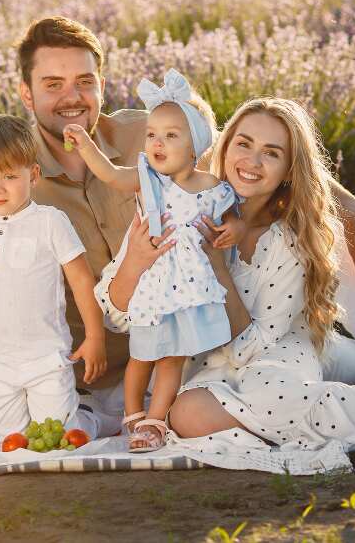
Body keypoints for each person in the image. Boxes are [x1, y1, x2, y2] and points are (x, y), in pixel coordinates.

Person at [0, 16, 355, 436]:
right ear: (25, 92)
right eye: (53, 83)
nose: (72, 97)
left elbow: (247, 157)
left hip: (199, 314)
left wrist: (350, 208)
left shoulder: (145, 132)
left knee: (318, 229)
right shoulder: (2, 178)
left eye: (84, 81)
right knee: (272, 363)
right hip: (121, 358)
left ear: (102, 83)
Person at [97, 98, 355, 469]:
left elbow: (257, 345)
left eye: (271, 153)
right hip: (207, 369)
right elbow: (116, 317)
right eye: (243, 144)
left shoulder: (290, 239)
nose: (252, 161)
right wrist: (136, 260)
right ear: (223, 148)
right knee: (188, 415)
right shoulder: (178, 208)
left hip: (280, 353)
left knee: (278, 390)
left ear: (287, 170)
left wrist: (218, 268)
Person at [63, 69, 243, 452]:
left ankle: (156, 419)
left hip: (187, 289)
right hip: (153, 284)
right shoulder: (148, 179)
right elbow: (110, 174)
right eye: (151, 135)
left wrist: (234, 230)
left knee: (172, 358)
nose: (157, 143)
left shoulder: (211, 186)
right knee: (142, 353)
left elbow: (234, 215)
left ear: (195, 146)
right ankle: (133, 413)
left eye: (170, 136)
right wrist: (83, 144)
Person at [0, 114, 107, 445]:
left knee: (58, 436)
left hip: (44, 355)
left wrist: (95, 336)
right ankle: (27, 410)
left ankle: (91, 418)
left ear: (34, 176)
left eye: (10, 176)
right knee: (3, 439)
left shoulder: (50, 222)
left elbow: (82, 281)